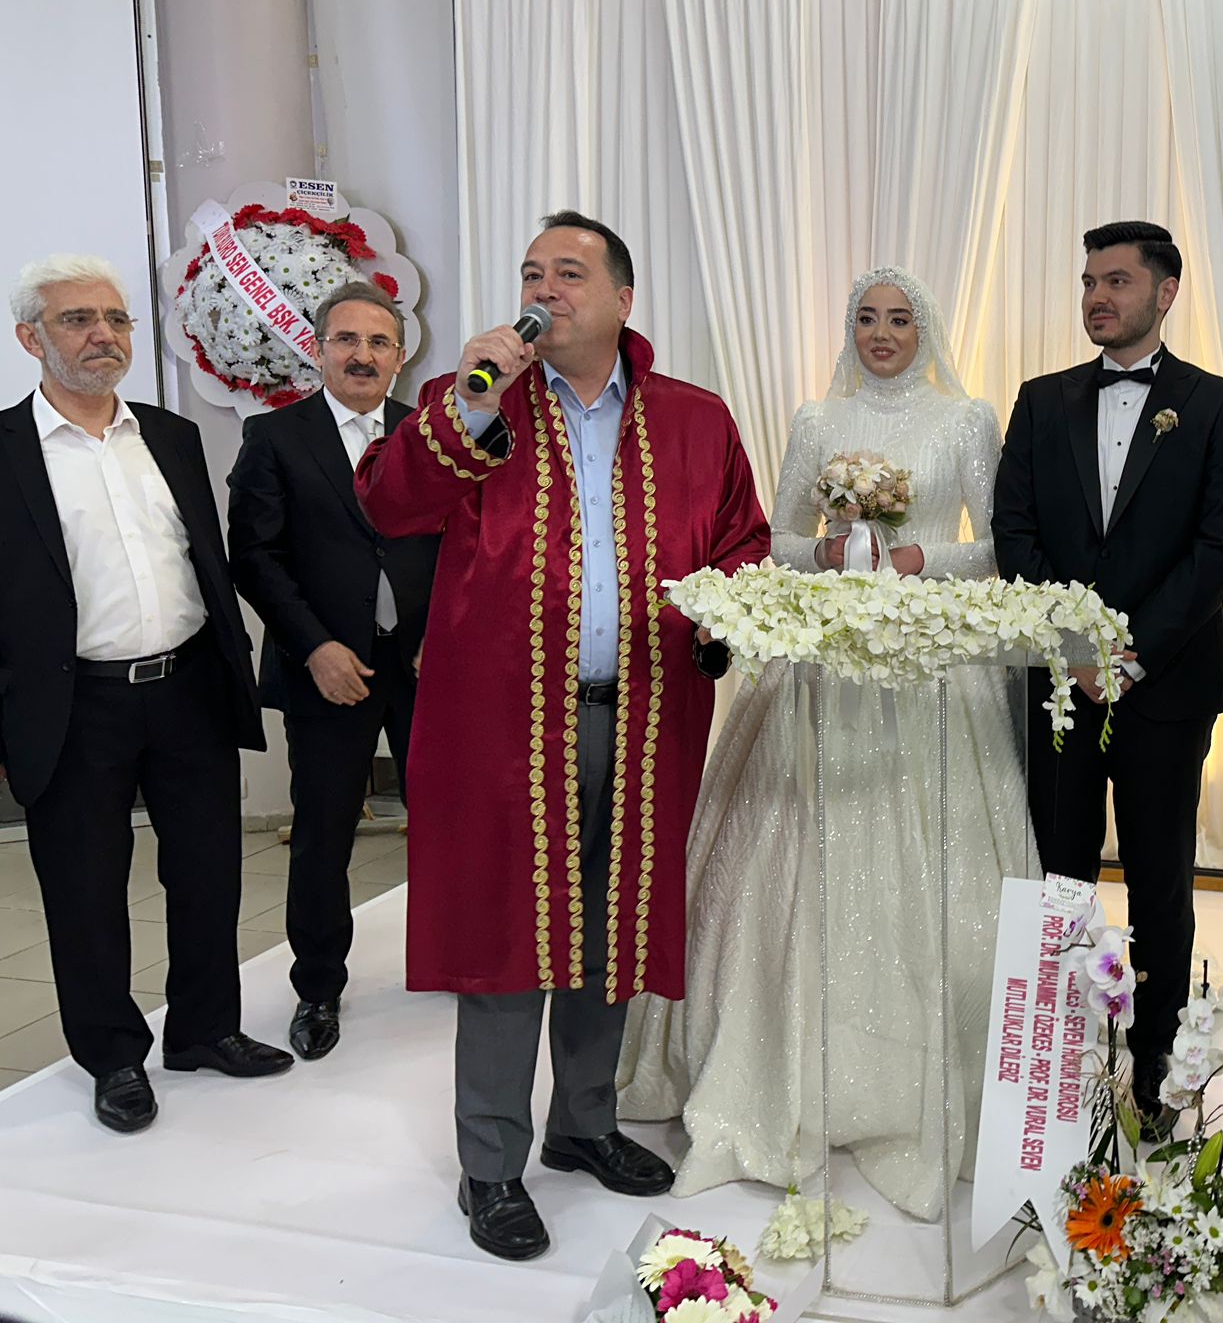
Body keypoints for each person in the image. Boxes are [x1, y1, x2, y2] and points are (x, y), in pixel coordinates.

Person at [356, 211, 769, 1262]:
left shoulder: (694, 419)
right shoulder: (479, 404)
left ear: (623, 299)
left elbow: (742, 541)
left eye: (570, 273)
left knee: (610, 930)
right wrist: (467, 401)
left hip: (645, 717)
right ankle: (490, 1165)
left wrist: (720, 617)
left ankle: (584, 1124)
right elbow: (390, 505)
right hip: (500, 724)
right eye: (533, 272)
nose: (545, 289)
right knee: (507, 938)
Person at [617, 267, 1035, 1221]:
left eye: (900, 319)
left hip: (927, 664)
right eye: (867, 318)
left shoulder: (965, 420)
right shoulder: (815, 419)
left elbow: (998, 545)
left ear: (926, 330)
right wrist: (833, 545)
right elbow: (774, 539)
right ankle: (767, 1066)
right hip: (819, 662)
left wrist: (916, 556)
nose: (882, 333)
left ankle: (927, 1079)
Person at [0, 254, 290, 1134]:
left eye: (117, 319)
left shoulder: (170, 435)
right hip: (73, 706)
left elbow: (202, 558)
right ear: (31, 339)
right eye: (79, 320)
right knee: (84, 891)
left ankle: (204, 1029)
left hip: (187, 687)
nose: (104, 335)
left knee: (208, 871)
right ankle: (113, 1056)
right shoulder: (5, 453)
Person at [992, 220, 1223, 1128]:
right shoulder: (1041, 401)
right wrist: (1075, 648)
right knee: (1057, 874)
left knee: (1160, 880)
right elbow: (1014, 532)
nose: (1098, 297)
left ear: (1165, 293)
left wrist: (1128, 653)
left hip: (1167, 685)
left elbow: (1218, 552)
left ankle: (1157, 1067)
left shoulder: (1216, 405)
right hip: (1061, 688)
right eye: (1088, 282)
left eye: (1117, 281)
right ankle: (1053, 1062)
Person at [227, 281, 439, 1061]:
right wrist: (315, 646)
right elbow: (255, 555)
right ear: (318, 351)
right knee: (322, 835)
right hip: (326, 668)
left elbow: (464, 545)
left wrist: (442, 637)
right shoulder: (274, 437)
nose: (362, 354)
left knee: (445, 824)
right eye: (346, 339)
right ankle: (317, 988)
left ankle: (452, 961)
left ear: (400, 356)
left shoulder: (428, 435)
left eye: (378, 342)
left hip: (423, 668)